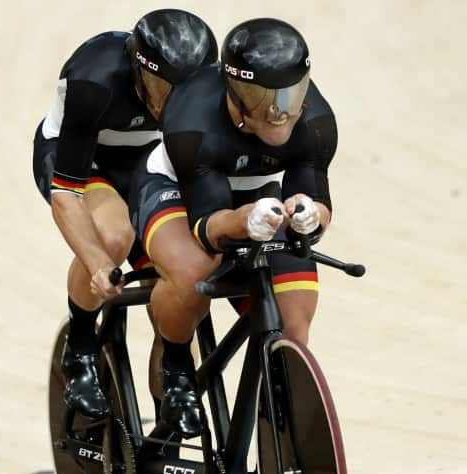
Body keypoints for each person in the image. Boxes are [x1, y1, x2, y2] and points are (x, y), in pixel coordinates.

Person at [131, 16, 336, 443]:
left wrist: (309, 214)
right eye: (263, 99)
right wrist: (245, 220)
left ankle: (277, 431)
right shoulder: (192, 121)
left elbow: (317, 201)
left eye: (290, 94)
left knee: (293, 327)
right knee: (192, 275)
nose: (279, 111)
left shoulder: (314, 122)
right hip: (178, 190)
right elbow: (208, 228)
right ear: (235, 93)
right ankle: (176, 369)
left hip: (257, 195)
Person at [33, 10, 218, 419]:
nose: (168, 102)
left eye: (182, 91)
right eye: (159, 86)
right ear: (136, 68)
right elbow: (67, 194)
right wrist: (98, 262)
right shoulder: (94, 79)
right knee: (113, 236)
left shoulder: (211, 92)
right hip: (84, 163)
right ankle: (80, 348)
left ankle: (166, 436)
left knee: (179, 286)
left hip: (145, 167)